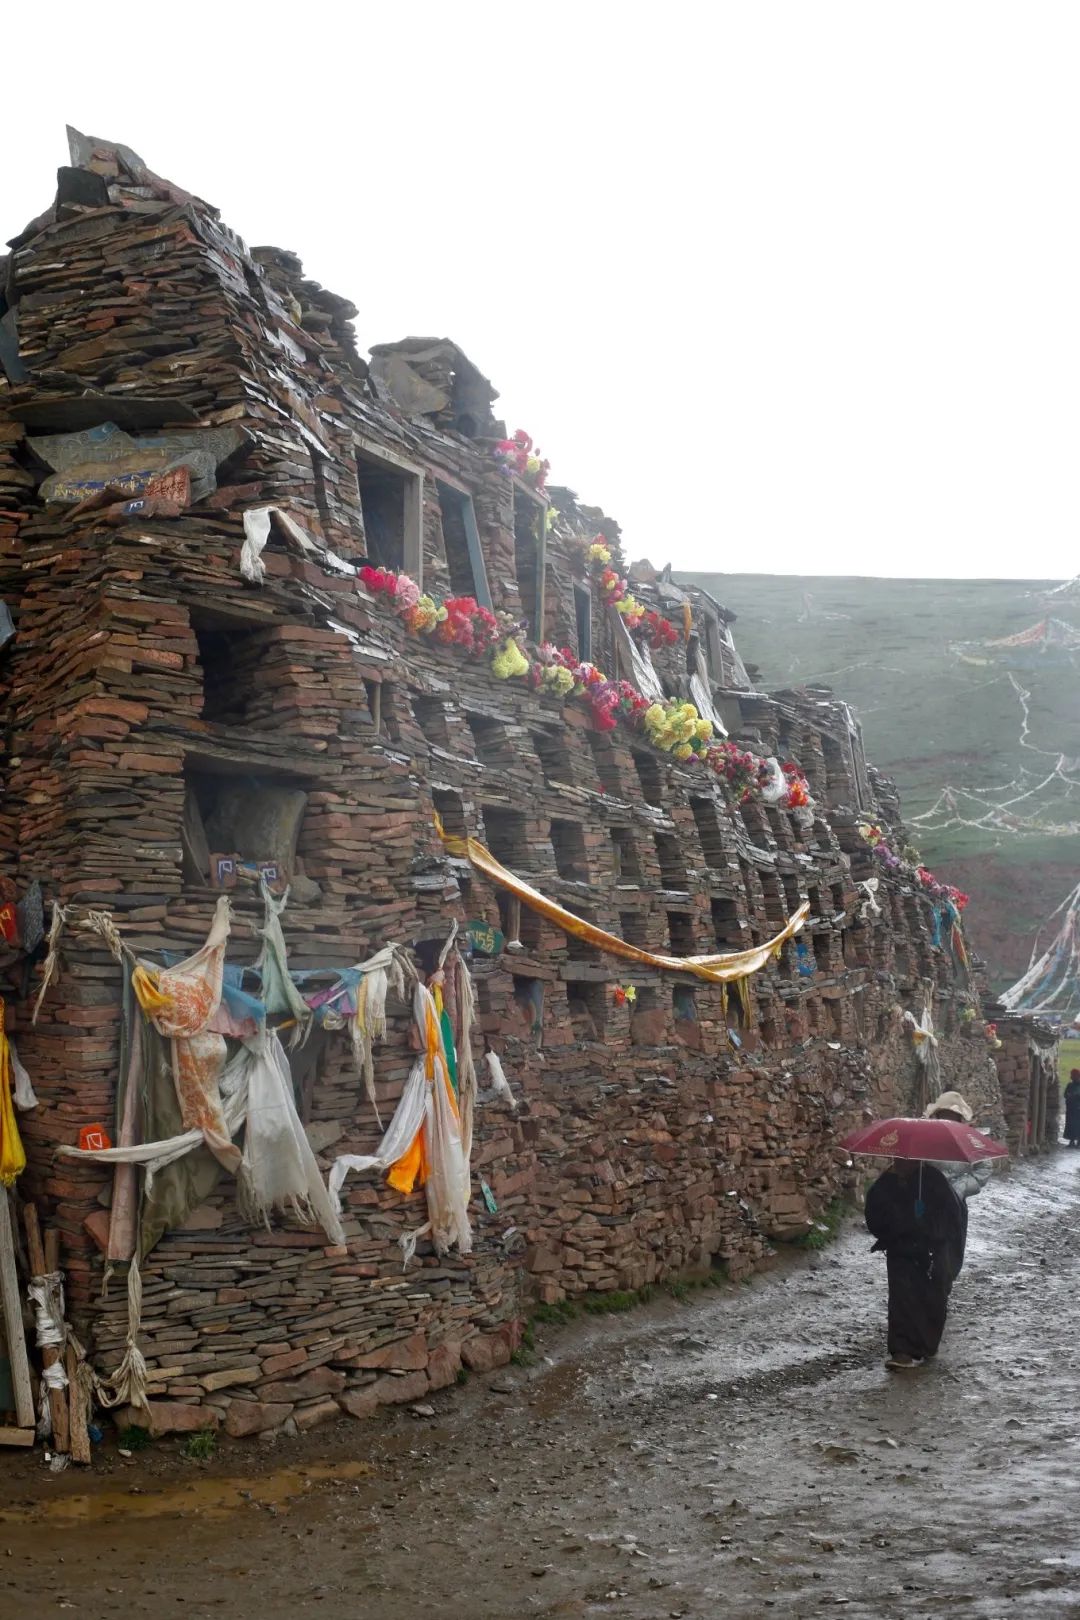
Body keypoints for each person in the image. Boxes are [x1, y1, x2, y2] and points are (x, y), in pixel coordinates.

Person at [864, 1157, 964, 1370]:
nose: (901, 1163)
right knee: (901, 1299)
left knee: (930, 1298)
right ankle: (902, 1351)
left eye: (906, 1161)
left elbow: (951, 1218)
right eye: (898, 1160)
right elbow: (874, 1215)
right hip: (901, 1251)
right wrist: (900, 1225)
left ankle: (926, 1345)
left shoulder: (934, 1181)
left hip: (930, 1252)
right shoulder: (886, 1184)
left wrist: (926, 1223)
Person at [923, 1090, 989, 1288]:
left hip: (955, 1204)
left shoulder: (971, 1142)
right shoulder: (926, 1139)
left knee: (951, 1251)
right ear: (938, 1116)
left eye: (953, 1117)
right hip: (926, 1202)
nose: (948, 1121)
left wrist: (960, 1188)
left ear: (960, 1119)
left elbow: (983, 1169)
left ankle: (943, 1283)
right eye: (945, 1116)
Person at [1065, 1070, 1080, 1148]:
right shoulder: (1070, 1085)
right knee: (1070, 1125)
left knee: (1078, 1125)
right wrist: (1070, 1096)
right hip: (1071, 1109)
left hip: (1078, 1110)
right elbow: (1066, 1094)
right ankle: (1072, 1141)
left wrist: (1074, 1096)